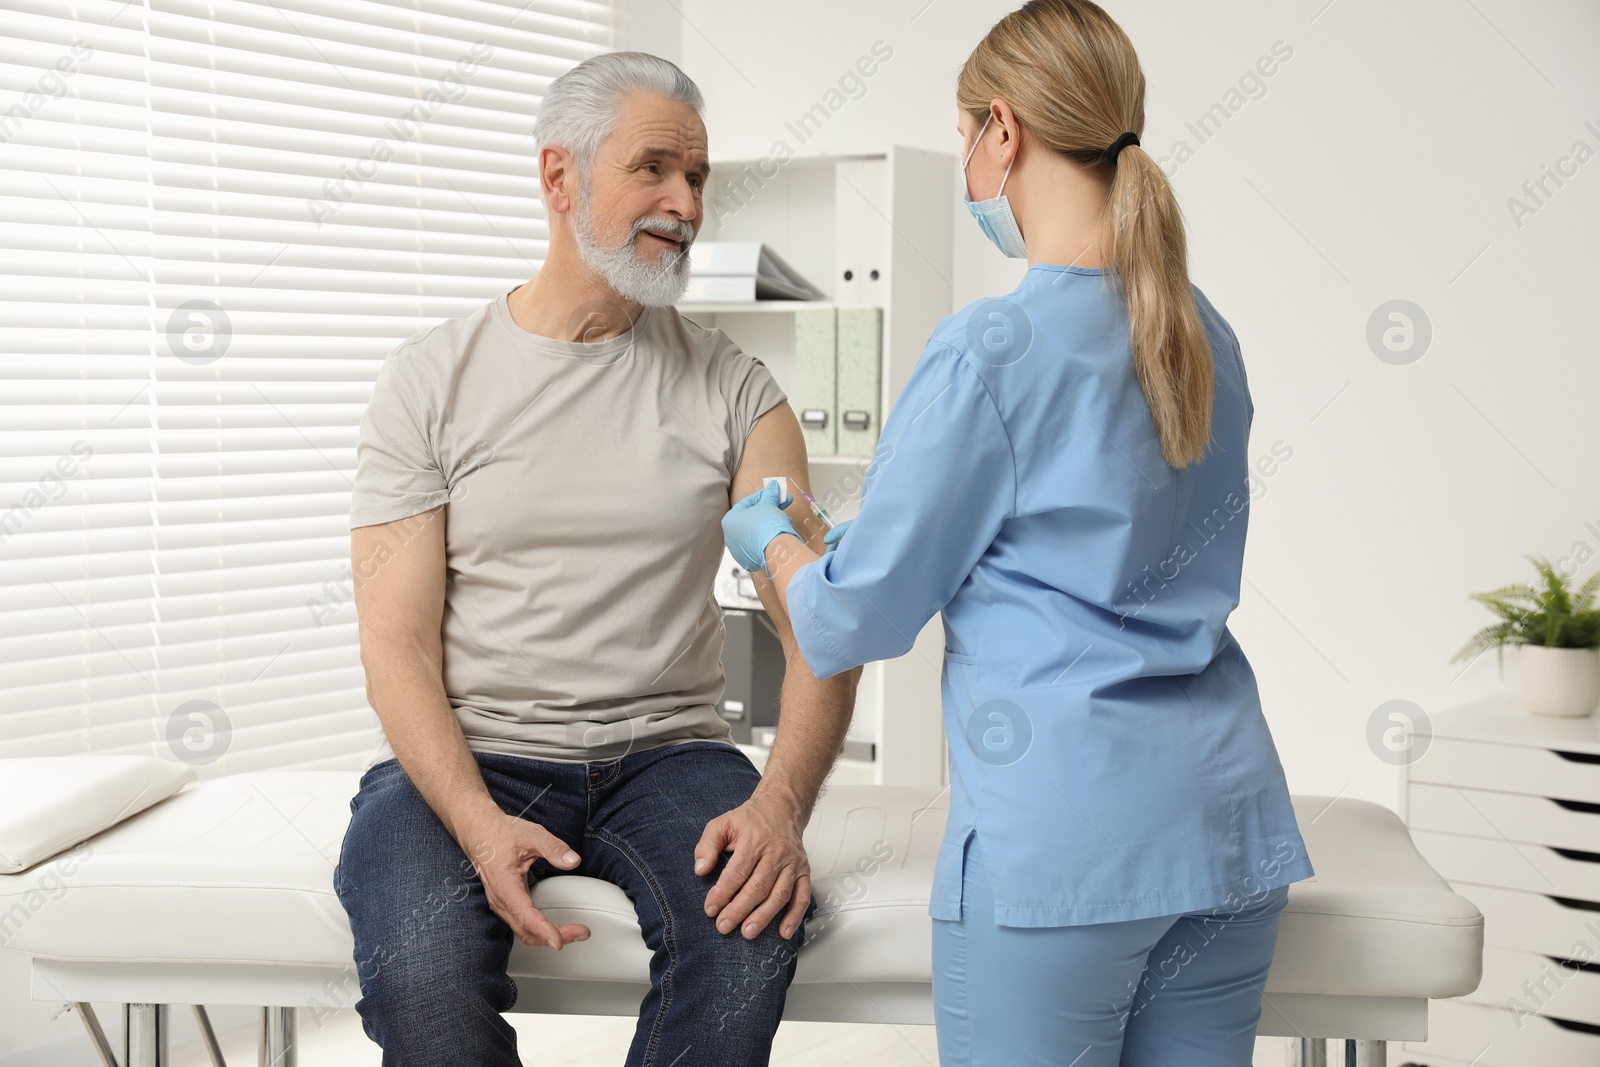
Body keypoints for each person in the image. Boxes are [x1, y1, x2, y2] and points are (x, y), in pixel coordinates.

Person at [718, 2, 1316, 1064]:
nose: (964, 165)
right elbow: (1088, 526)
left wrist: (772, 536)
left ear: (1005, 130)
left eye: (962, 137)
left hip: (1066, 850)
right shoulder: (1201, 328)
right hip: (1225, 832)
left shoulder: (988, 348)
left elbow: (851, 618)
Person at [336, 51, 856, 1067]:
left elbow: (819, 628)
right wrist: (481, 825)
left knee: (747, 936)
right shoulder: (430, 382)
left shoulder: (739, 392)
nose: (684, 203)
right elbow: (393, 643)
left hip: (667, 754)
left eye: (697, 178)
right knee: (424, 975)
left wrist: (781, 803)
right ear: (558, 177)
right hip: (471, 752)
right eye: (653, 168)